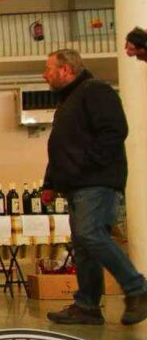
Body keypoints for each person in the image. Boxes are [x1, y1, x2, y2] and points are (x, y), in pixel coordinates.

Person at [40, 49, 147, 325]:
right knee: (84, 246)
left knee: (90, 235)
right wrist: (50, 182)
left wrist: (87, 166)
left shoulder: (95, 91)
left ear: (66, 70)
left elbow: (114, 131)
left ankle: (138, 289)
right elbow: (60, 148)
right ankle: (87, 305)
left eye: (49, 69)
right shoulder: (68, 102)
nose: (44, 75)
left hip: (95, 181)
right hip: (78, 184)